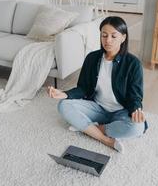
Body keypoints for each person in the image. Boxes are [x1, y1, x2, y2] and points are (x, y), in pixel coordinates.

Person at [47, 16, 148, 153]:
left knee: (137, 128)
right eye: (104, 35)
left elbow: (135, 96)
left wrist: (136, 110)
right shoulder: (92, 58)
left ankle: (89, 128)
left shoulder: (133, 64)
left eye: (113, 36)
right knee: (63, 105)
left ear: (123, 38)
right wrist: (65, 94)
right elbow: (83, 88)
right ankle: (106, 140)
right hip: (97, 108)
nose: (108, 40)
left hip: (120, 112)